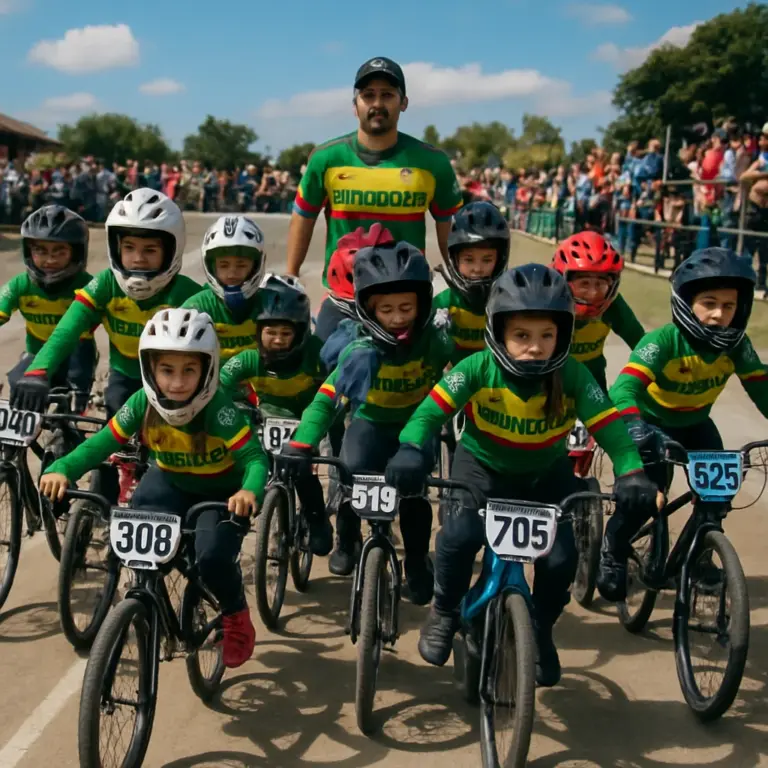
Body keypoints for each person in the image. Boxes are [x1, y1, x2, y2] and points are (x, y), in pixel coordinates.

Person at [383, 263, 656, 685]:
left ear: (562, 335)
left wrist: (631, 471)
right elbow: (428, 414)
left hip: (545, 475)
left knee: (562, 558)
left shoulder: (573, 375)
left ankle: (541, 628)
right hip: (480, 468)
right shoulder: (474, 368)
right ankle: (444, 610)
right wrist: (410, 448)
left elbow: (613, 432)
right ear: (499, 332)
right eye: (522, 336)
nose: (535, 347)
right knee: (458, 537)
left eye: (547, 335)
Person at [39, 308, 268, 667]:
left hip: (220, 492)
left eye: (189, 370)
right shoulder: (142, 402)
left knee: (211, 559)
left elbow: (255, 458)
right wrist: (63, 468)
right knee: (135, 549)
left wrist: (249, 491)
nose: (177, 382)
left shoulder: (219, 409)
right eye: (166, 370)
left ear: (207, 369)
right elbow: (102, 443)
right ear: (150, 369)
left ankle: (236, 615)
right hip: (168, 482)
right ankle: (143, 599)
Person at [282, 241, 455, 602]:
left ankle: (419, 561)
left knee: (414, 493)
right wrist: (302, 442)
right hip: (370, 425)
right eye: (386, 310)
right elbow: (326, 401)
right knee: (350, 469)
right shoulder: (357, 350)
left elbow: (459, 380)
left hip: (415, 427)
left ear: (423, 304)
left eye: (406, 307)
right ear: (366, 309)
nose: (397, 318)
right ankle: (347, 538)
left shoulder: (435, 343)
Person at [598, 248, 768, 601]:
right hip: (649, 426)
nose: (720, 314)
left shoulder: (737, 346)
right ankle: (612, 552)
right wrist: (633, 426)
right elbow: (623, 389)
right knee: (644, 498)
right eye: (709, 303)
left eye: (729, 305)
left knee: (715, 500)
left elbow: (762, 391)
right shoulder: (662, 341)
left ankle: (702, 556)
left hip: (697, 426)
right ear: (687, 303)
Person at [11, 189, 200, 501]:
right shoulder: (103, 283)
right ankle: (105, 508)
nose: (138, 257)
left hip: (175, 387)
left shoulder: (190, 295)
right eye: (129, 247)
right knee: (110, 443)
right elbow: (65, 332)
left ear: (172, 249)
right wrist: (37, 371)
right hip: (124, 378)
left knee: (168, 461)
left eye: (150, 249)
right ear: (116, 248)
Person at [285, 56, 463, 342]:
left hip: (408, 301)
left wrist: (461, 281)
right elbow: (303, 218)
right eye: (368, 95)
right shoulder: (326, 158)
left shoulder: (433, 162)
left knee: (416, 379)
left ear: (403, 102)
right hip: (345, 299)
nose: (377, 103)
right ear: (355, 105)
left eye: (387, 95)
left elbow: (449, 228)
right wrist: (291, 276)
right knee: (330, 377)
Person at [219, 273, 332, 555]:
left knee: (304, 476)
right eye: (271, 333)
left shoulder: (319, 356)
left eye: (286, 333)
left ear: (301, 332)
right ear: (258, 333)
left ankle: (318, 522)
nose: (278, 340)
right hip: (266, 419)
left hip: (307, 420)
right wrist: (239, 408)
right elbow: (219, 386)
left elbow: (335, 388)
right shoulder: (248, 359)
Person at [1, 205, 96, 413]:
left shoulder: (91, 286)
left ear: (76, 253)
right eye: (41, 251)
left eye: (59, 251)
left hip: (77, 360)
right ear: (28, 251)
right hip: (35, 356)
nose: (50, 260)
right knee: (19, 392)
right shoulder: (20, 284)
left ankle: (72, 427)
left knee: (72, 414)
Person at [551, 231, 644, 391]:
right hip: (551, 385)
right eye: (584, 284)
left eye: (600, 285)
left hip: (592, 383)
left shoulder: (613, 306)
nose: (593, 294)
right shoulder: (545, 304)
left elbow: (641, 344)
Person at [433, 201, 509, 363]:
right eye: (469, 260)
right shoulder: (443, 302)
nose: (477, 268)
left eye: (487, 260)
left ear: (500, 259)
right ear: (454, 258)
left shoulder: (507, 301)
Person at [182, 215, 266, 359]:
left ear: (256, 265)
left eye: (241, 265)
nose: (232, 273)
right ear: (211, 266)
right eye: (224, 265)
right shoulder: (198, 306)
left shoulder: (270, 303)